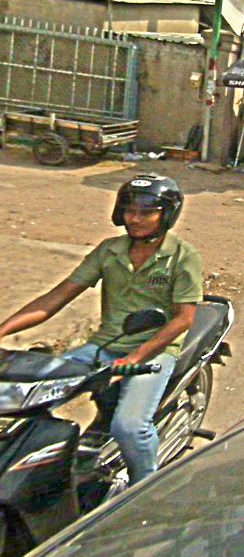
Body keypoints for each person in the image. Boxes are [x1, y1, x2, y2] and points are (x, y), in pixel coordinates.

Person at [0, 174, 203, 483]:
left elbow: (183, 319)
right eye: (129, 210)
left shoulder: (183, 257)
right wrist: (3, 330)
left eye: (146, 212)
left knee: (129, 427)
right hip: (104, 345)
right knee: (28, 397)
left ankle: (144, 487)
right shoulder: (109, 251)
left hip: (154, 352)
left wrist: (134, 358)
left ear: (167, 215)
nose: (135, 219)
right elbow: (56, 298)